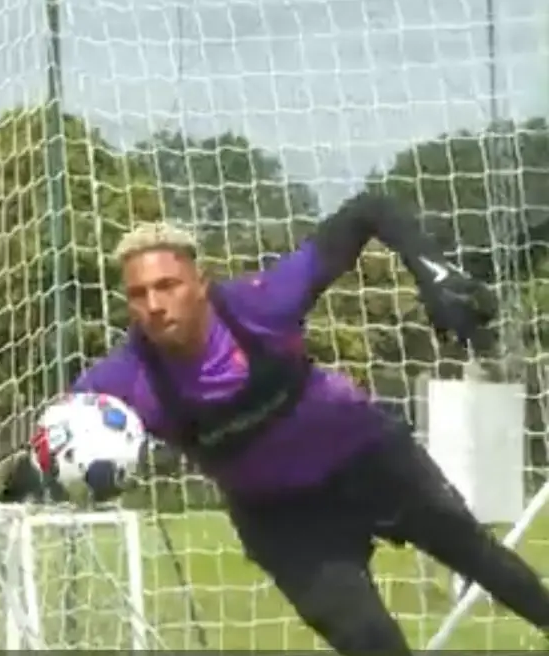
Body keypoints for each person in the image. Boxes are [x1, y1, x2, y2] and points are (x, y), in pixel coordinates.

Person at [61, 191, 549, 654]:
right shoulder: (123, 380)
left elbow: (369, 209)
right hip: (282, 518)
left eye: (168, 285)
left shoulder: (262, 305)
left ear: (200, 283)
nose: (154, 304)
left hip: (365, 454)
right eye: (139, 293)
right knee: (366, 638)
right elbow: (55, 439)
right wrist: (36, 475)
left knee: (480, 558)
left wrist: (434, 274)